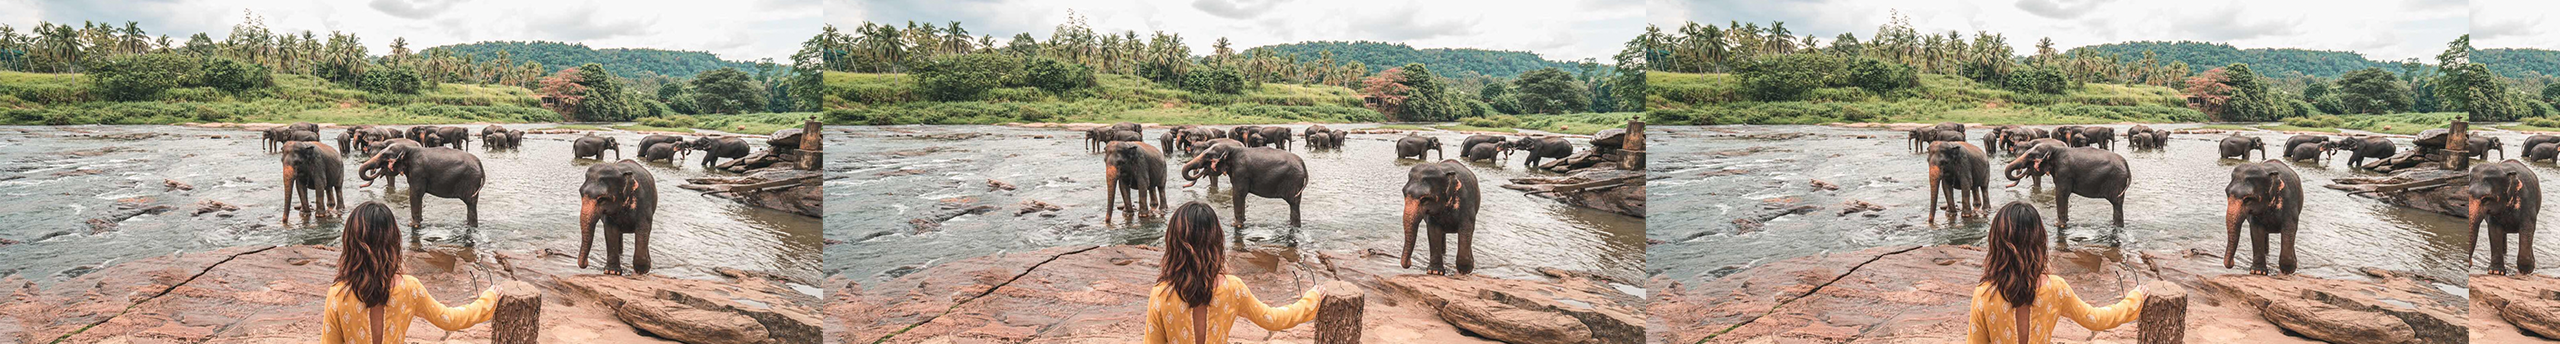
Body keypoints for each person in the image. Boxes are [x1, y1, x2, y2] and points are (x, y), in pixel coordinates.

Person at [1143, 201, 1324, 344]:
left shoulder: (1161, 294)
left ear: (1173, 242)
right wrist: (1312, 300)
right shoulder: (1232, 288)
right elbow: (1274, 319)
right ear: (1216, 241)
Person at [322, 201, 503, 344]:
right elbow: (451, 319)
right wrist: (489, 299)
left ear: (350, 243)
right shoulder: (409, 288)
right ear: (393, 241)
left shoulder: (339, 294)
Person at [1966, 202, 2147, 344]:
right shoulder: (2055, 288)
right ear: (2039, 241)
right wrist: (2134, 300)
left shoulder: (1984, 294)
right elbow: (2097, 319)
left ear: (1997, 243)